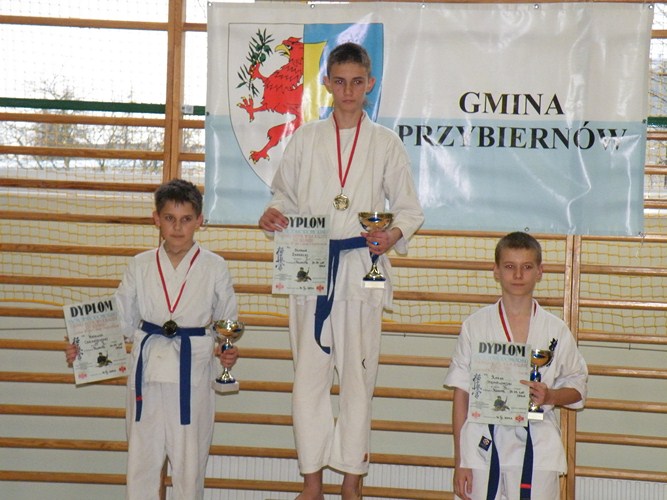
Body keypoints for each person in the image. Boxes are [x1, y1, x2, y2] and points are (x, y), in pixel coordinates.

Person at [259, 42, 424, 499]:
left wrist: (391, 235)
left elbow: (409, 209)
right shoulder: (306, 139)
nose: (348, 90)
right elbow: (283, 196)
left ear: (370, 84)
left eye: (357, 82)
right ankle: (312, 482)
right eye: (340, 81)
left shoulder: (385, 142)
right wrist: (273, 213)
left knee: (357, 380)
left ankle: (352, 482)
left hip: (360, 267)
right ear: (327, 83)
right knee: (308, 380)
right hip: (309, 266)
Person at [66, 179, 239, 500]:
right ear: (156, 219)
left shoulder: (215, 266)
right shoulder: (140, 263)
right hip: (146, 373)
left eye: (186, 219)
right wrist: (83, 347)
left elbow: (226, 321)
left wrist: (228, 349)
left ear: (199, 221)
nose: (178, 227)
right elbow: (119, 319)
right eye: (170, 218)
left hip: (192, 372)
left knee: (189, 466)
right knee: (141, 464)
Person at [444, 232, 588, 500]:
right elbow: (461, 393)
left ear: (540, 272)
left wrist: (551, 396)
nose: (518, 275)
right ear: (496, 271)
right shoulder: (475, 326)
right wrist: (460, 460)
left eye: (527, 267)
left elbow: (578, 386)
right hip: (481, 445)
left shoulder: (555, 329)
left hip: (538, 445)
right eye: (510, 266)